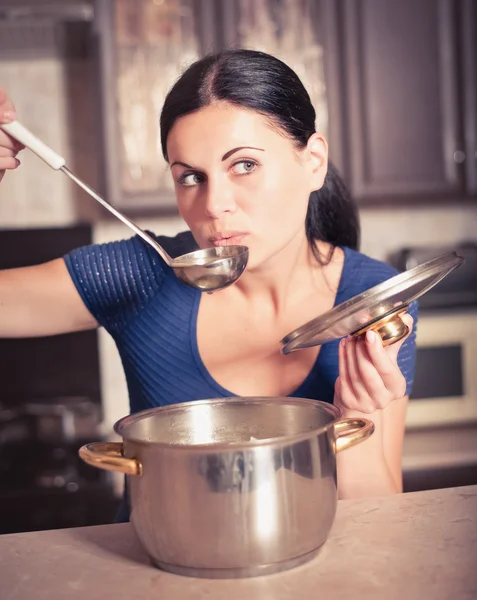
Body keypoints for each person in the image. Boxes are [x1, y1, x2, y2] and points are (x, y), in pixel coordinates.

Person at [0, 49, 417, 519]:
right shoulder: (140, 274)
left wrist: (354, 419)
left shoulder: (373, 299)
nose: (215, 205)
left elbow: (381, 522)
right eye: (191, 177)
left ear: (313, 162)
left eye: (244, 165)